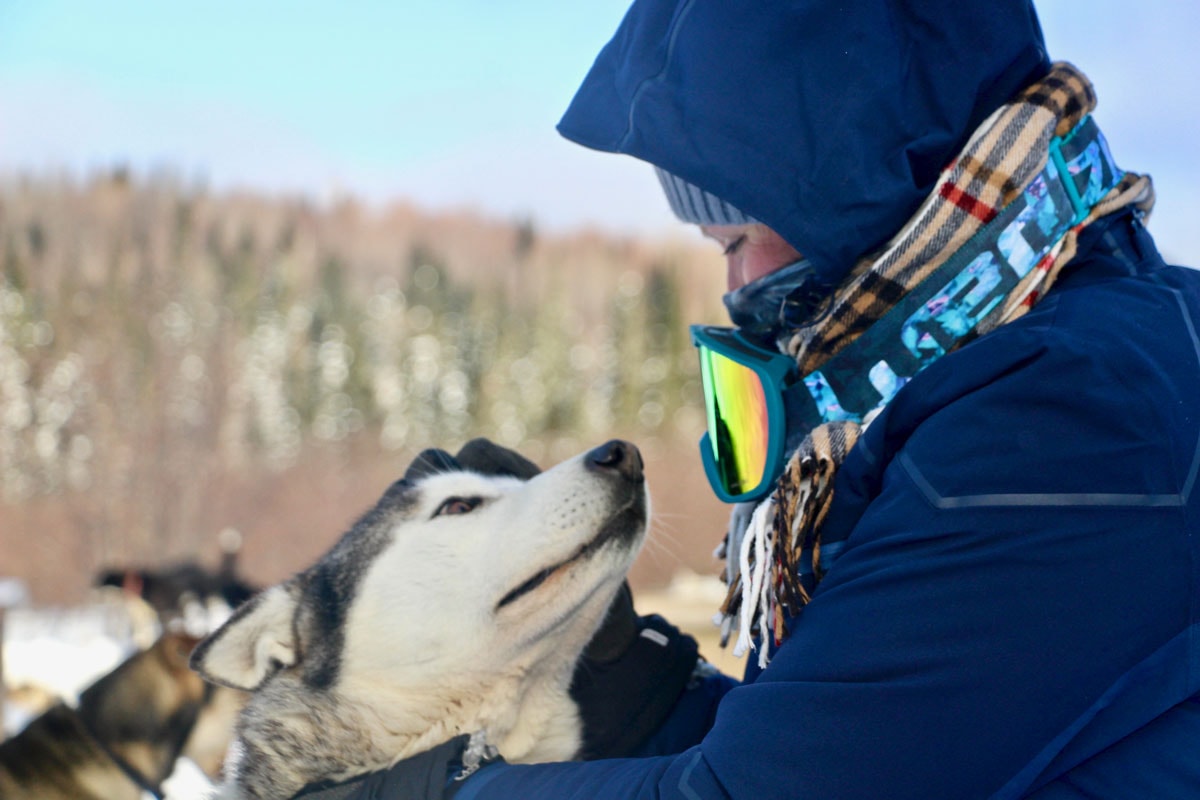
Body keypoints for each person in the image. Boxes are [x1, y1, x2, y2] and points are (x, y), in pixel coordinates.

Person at [296, 1, 1200, 797]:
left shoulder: (1074, 413)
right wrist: (646, 699)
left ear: (853, 185)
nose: (734, 284)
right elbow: (871, 750)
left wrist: (438, 795)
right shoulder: (1038, 364)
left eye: (736, 234)